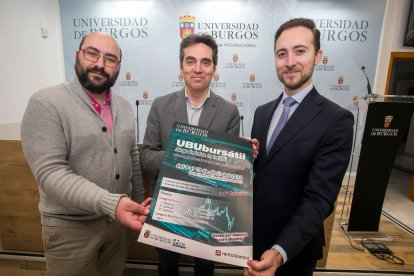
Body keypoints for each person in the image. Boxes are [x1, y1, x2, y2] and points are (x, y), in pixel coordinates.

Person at [21, 32, 151, 276]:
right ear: (77, 55)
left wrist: (139, 204)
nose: (100, 64)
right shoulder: (46, 103)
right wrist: (112, 204)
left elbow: (131, 154)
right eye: (92, 53)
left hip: (117, 228)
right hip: (72, 233)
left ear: (118, 67)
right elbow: (51, 173)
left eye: (110, 59)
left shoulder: (122, 105)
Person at [141, 33, 258, 276]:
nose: (198, 68)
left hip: (209, 207)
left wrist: (240, 155)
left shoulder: (229, 111)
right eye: (190, 61)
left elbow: (226, 171)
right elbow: (147, 156)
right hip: (168, 206)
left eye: (206, 62)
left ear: (214, 68)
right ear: (181, 67)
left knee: (205, 267)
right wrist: (185, 155)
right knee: (167, 266)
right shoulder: (160, 105)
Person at [246, 18, 354, 276]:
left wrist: (279, 251)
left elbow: (319, 199)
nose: (290, 61)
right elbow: (263, 176)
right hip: (253, 240)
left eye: (300, 51)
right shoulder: (262, 113)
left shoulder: (336, 120)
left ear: (318, 56)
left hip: (293, 250)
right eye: (282, 54)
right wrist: (245, 161)